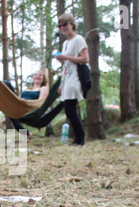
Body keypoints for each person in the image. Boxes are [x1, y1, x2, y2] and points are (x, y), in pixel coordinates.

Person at [55, 13, 89, 146]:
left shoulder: (78, 39)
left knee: (70, 108)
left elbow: (85, 59)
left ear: (72, 25)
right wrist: (61, 84)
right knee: (69, 109)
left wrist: (65, 57)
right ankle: (78, 137)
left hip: (76, 77)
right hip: (67, 78)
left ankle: (80, 138)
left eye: (65, 24)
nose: (63, 27)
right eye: (60, 26)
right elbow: (65, 66)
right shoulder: (65, 43)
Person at [9, 70, 50, 140]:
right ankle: (27, 133)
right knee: (11, 115)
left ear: (43, 79)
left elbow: (40, 103)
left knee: (7, 83)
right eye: (35, 74)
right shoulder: (27, 90)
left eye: (40, 75)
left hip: (30, 110)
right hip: (20, 106)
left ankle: (27, 133)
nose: (37, 76)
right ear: (33, 77)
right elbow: (19, 98)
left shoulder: (43, 88)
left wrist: (26, 101)